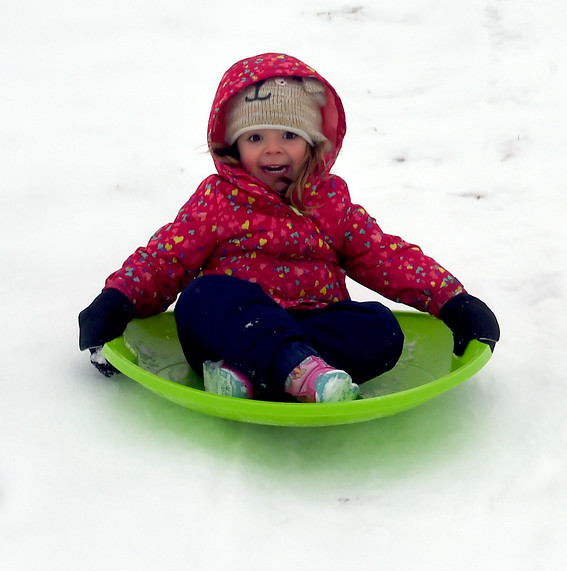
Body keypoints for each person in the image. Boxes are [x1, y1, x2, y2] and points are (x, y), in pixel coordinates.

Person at [79, 52, 499, 403]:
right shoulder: (218, 200)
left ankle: (256, 376)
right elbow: (166, 258)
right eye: (255, 138)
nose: (273, 149)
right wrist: (117, 301)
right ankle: (295, 373)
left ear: (312, 142)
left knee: (381, 328)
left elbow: (383, 256)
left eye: (288, 135)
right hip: (234, 330)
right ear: (233, 145)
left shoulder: (330, 202)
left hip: (312, 327)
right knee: (202, 297)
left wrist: (453, 301)